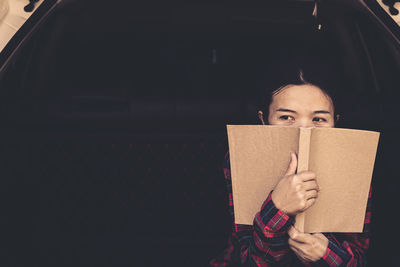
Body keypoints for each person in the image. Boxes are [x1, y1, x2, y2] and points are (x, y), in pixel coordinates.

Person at [209, 63, 371, 266]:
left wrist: (324, 252)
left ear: (335, 123)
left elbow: (361, 259)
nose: (304, 129)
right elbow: (249, 260)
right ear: (264, 120)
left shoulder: (354, 166)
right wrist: (277, 208)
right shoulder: (240, 160)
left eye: (319, 119)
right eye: (286, 117)